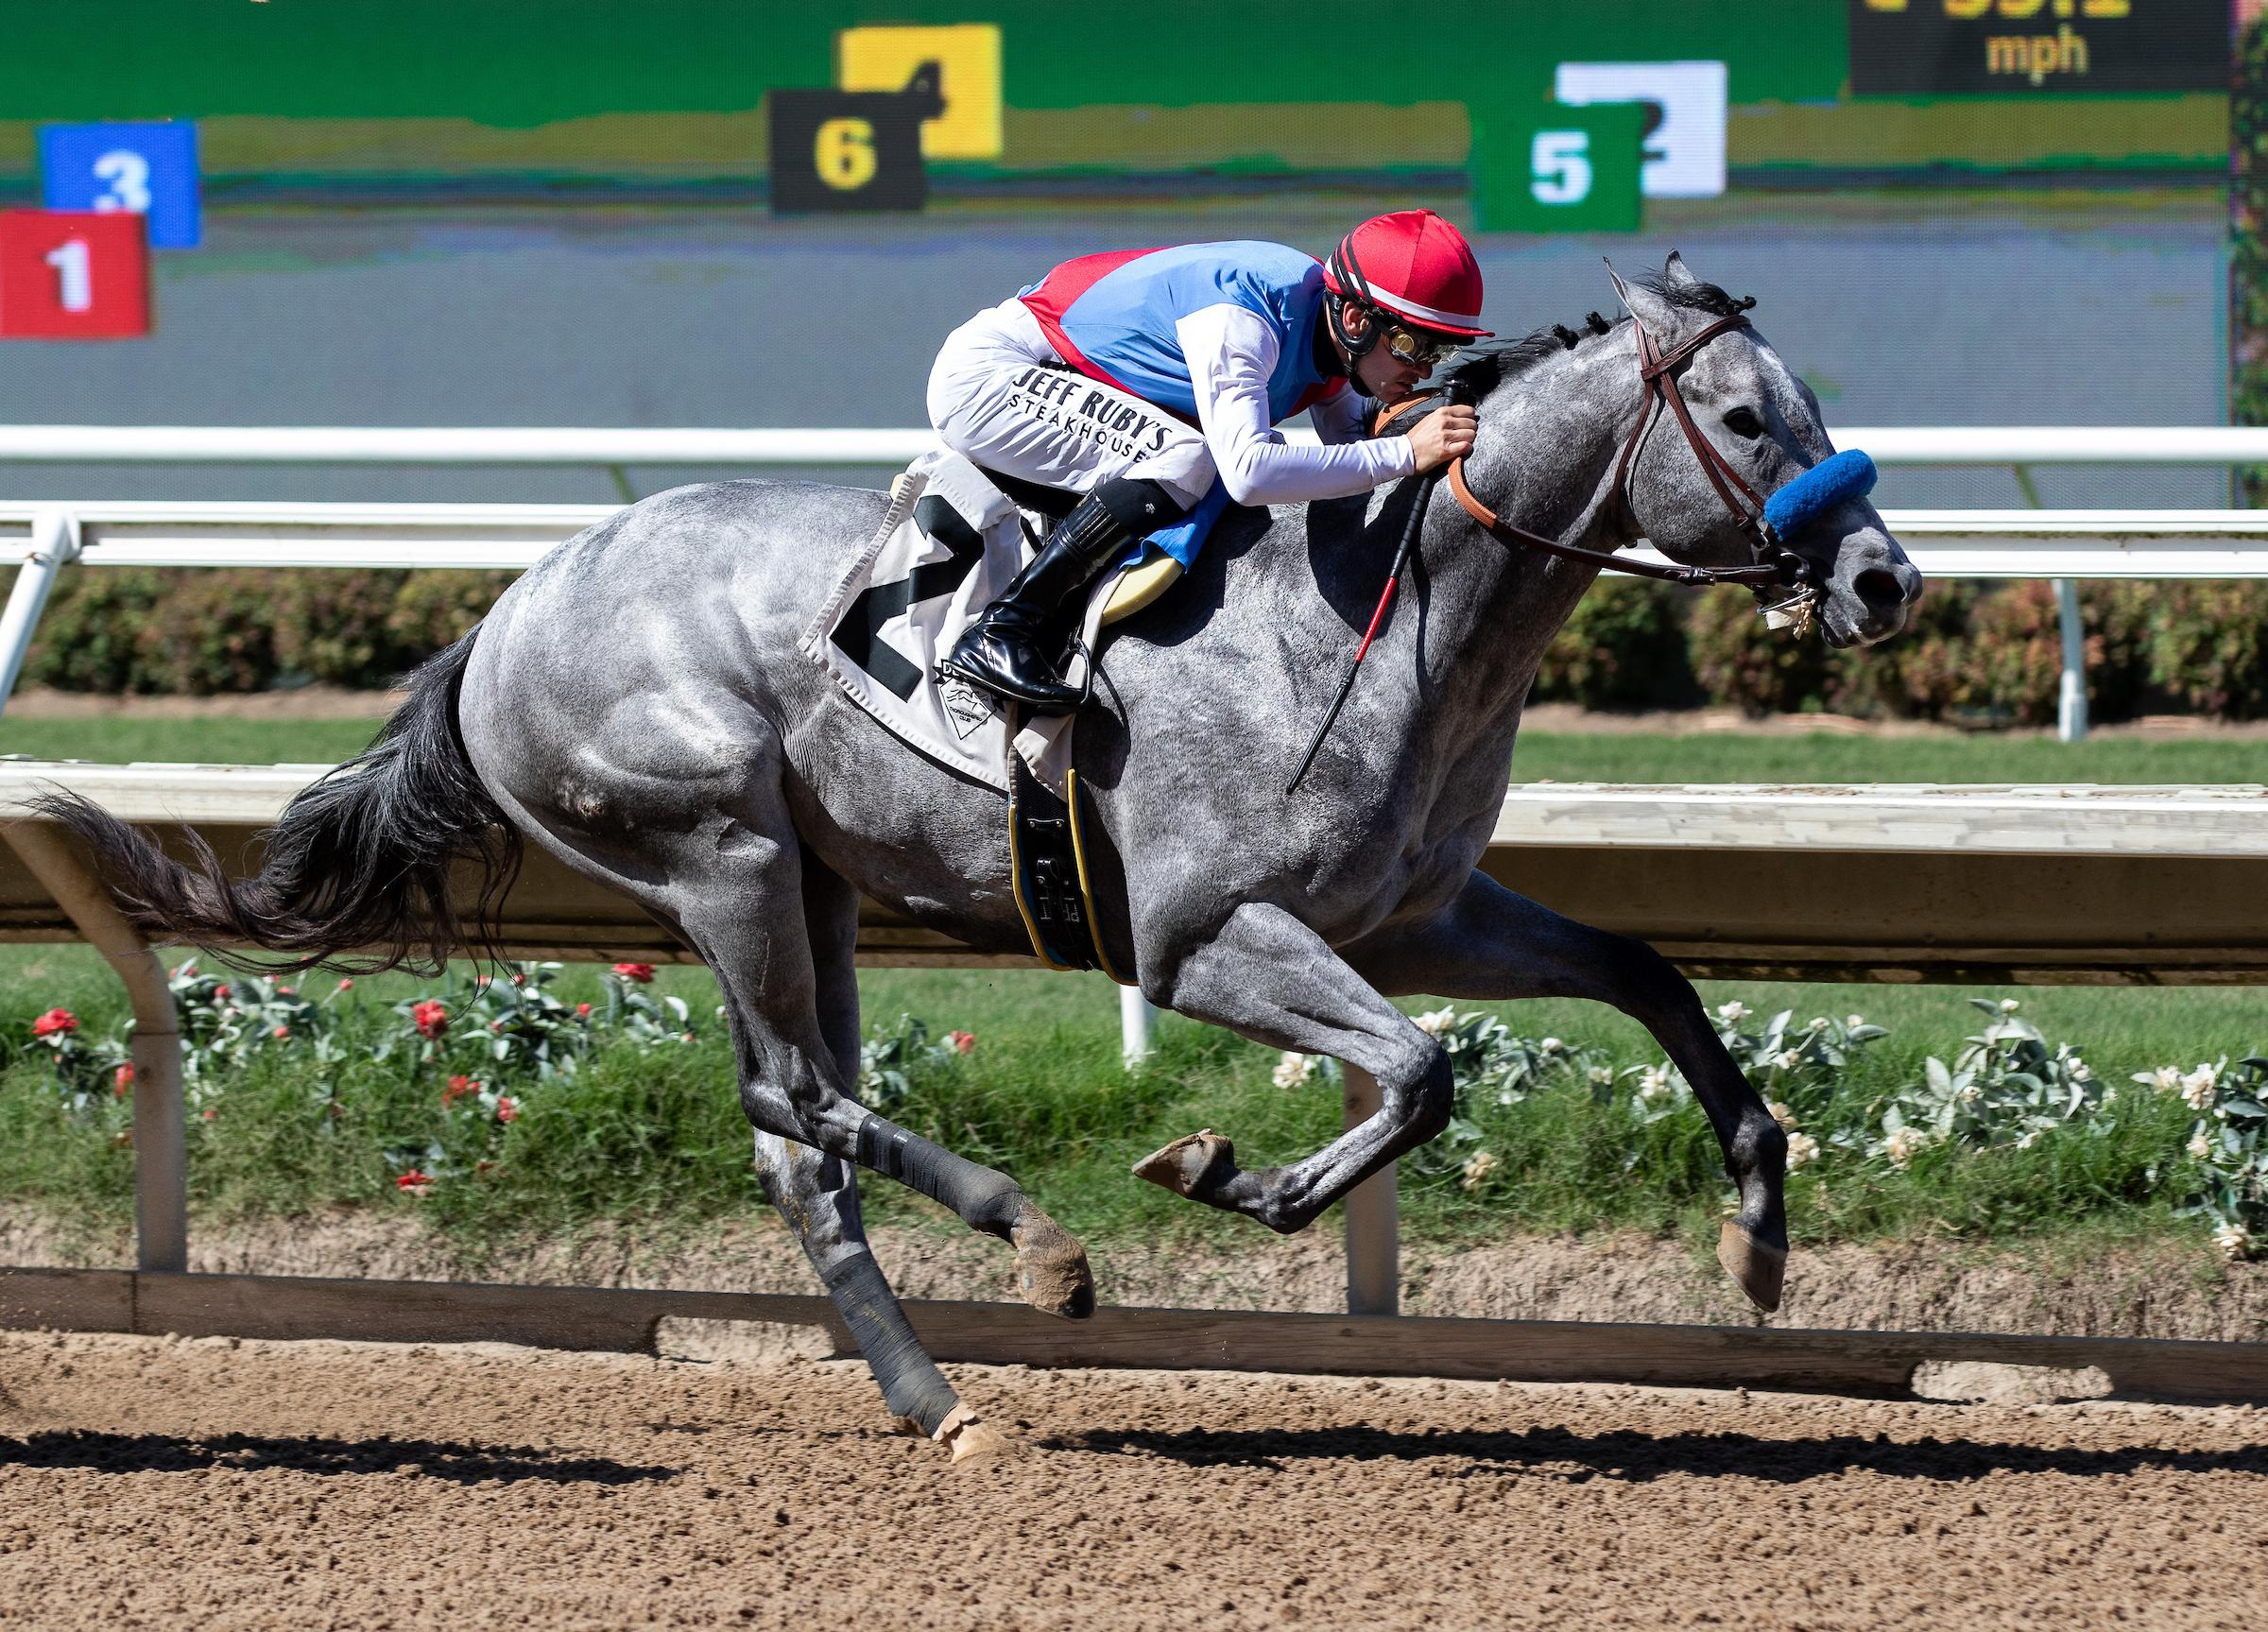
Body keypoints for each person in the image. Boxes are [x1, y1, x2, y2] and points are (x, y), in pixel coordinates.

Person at [927, 209, 1488, 713]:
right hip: (996, 374)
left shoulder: (1329, 329)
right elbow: (1250, 473)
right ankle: (1003, 631)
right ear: (1358, 321)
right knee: (1187, 460)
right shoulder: (1245, 318)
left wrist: (1403, 440)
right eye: (1413, 346)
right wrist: (1405, 451)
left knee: (1201, 463)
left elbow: (1349, 444)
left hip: (1054, 375)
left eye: (1440, 350)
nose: (1425, 369)